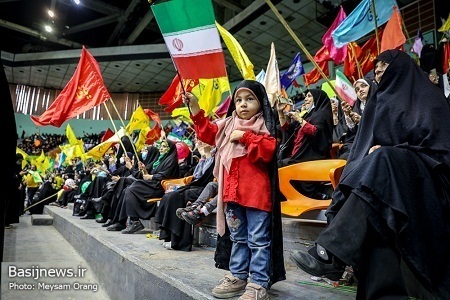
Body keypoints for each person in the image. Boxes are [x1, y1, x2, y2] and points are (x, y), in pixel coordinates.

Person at [290, 50, 450, 299]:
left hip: (427, 188)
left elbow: (441, 155)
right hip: (384, 188)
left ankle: (331, 252)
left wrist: (393, 152)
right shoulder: (379, 103)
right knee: (376, 205)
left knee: (384, 165)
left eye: (384, 68)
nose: (378, 74)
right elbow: (359, 153)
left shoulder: (431, 100)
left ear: (403, 70)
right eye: (376, 70)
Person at [183, 79, 286, 300]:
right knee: (238, 238)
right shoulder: (226, 125)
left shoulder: (265, 127)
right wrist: (194, 107)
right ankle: (238, 276)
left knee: (258, 240)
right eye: (239, 100)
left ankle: (258, 283)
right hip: (232, 196)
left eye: (250, 99)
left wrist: (245, 136)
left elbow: (267, 151)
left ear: (261, 103)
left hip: (257, 197)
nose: (243, 104)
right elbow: (207, 133)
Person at [154, 140, 216, 251]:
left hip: (207, 188)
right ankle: (169, 235)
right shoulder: (205, 155)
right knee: (171, 195)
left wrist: (208, 155)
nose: (200, 142)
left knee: (182, 195)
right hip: (196, 186)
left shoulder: (217, 154)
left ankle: (180, 241)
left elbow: (209, 176)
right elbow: (197, 175)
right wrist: (203, 157)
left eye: (203, 139)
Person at [108, 139, 179, 232]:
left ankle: (134, 221)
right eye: (161, 146)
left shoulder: (171, 160)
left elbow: (164, 175)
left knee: (131, 187)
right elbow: (148, 174)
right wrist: (145, 170)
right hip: (153, 184)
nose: (161, 149)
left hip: (160, 187)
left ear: (170, 149)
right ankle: (126, 221)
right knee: (127, 189)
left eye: (164, 146)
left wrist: (149, 176)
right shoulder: (160, 160)